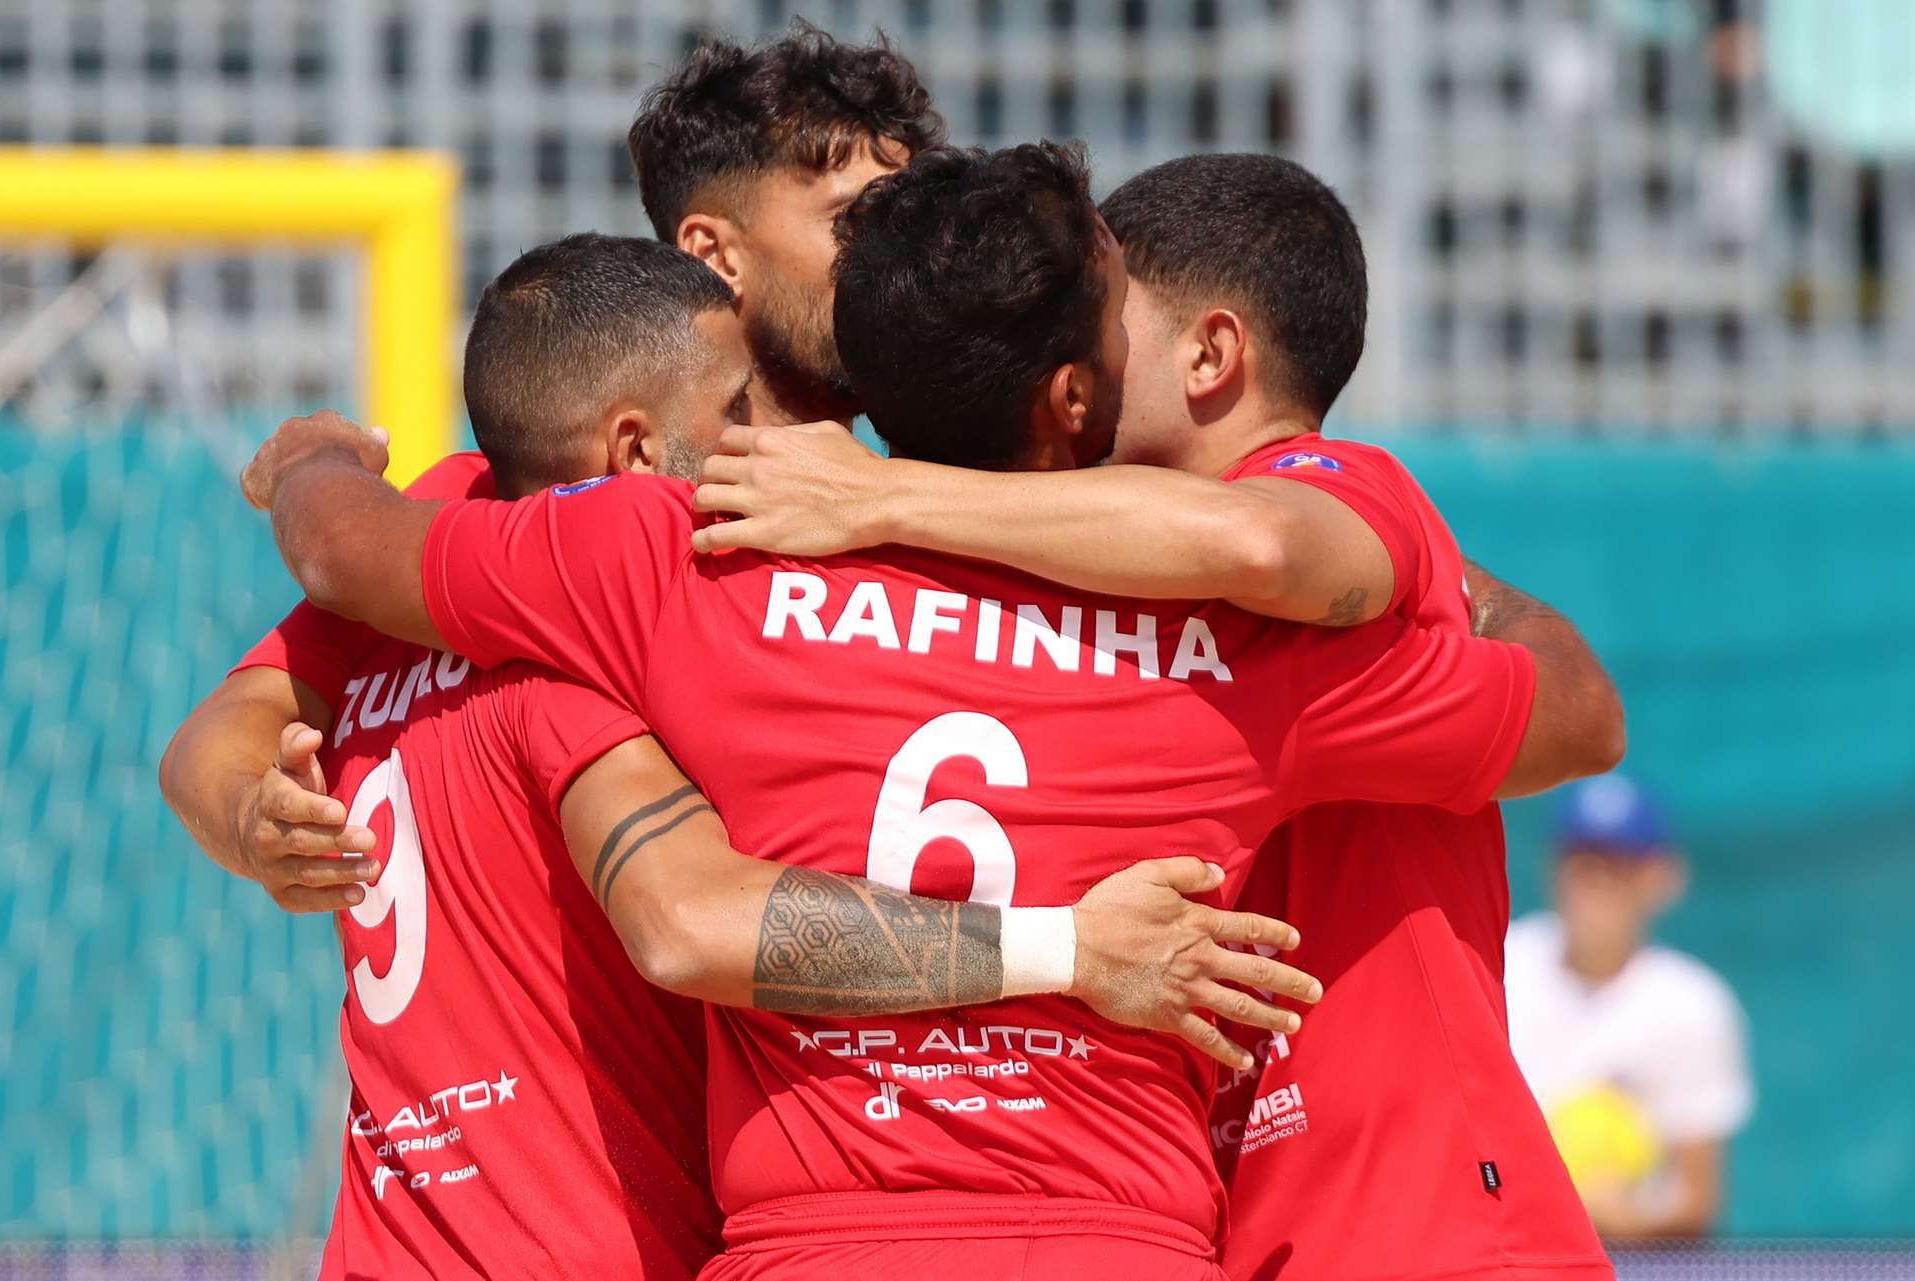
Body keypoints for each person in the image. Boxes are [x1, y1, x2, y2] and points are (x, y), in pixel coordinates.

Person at [245, 142, 1613, 1281]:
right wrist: (1445, 572)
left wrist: (311, 461)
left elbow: (351, 555)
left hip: (812, 1244)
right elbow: (1569, 715)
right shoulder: (1237, 652)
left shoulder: (687, 560)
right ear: (1073, 397)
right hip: (1122, 1242)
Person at [163, 234, 1309, 1279]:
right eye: (739, 407)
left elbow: (219, 727)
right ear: (630, 450)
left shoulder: (425, 553)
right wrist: (1076, 948)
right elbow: (690, 923)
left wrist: (314, 476)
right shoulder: (580, 653)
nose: (776, 438)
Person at [690, 152, 1621, 1281]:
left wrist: (885, 493)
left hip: (1424, 1226)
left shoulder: (1326, 505)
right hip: (1239, 1224)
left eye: (1108, 321)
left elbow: (1565, 707)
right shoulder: (1114, 590)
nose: (1083, 358)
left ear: (1211, 355)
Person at [629, 18, 945, 427]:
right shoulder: (621, 466)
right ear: (713, 255)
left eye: (909, 218)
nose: (901, 251)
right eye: (855, 219)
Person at [1506, 774, 1754, 1239]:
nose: (1596, 882)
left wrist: (1618, 1220)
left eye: (1618, 864)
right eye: (1582, 862)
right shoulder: (1502, 964)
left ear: (1660, 878)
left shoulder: (1694, 1005)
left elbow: (1697, 1202)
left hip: (1627, 1262)